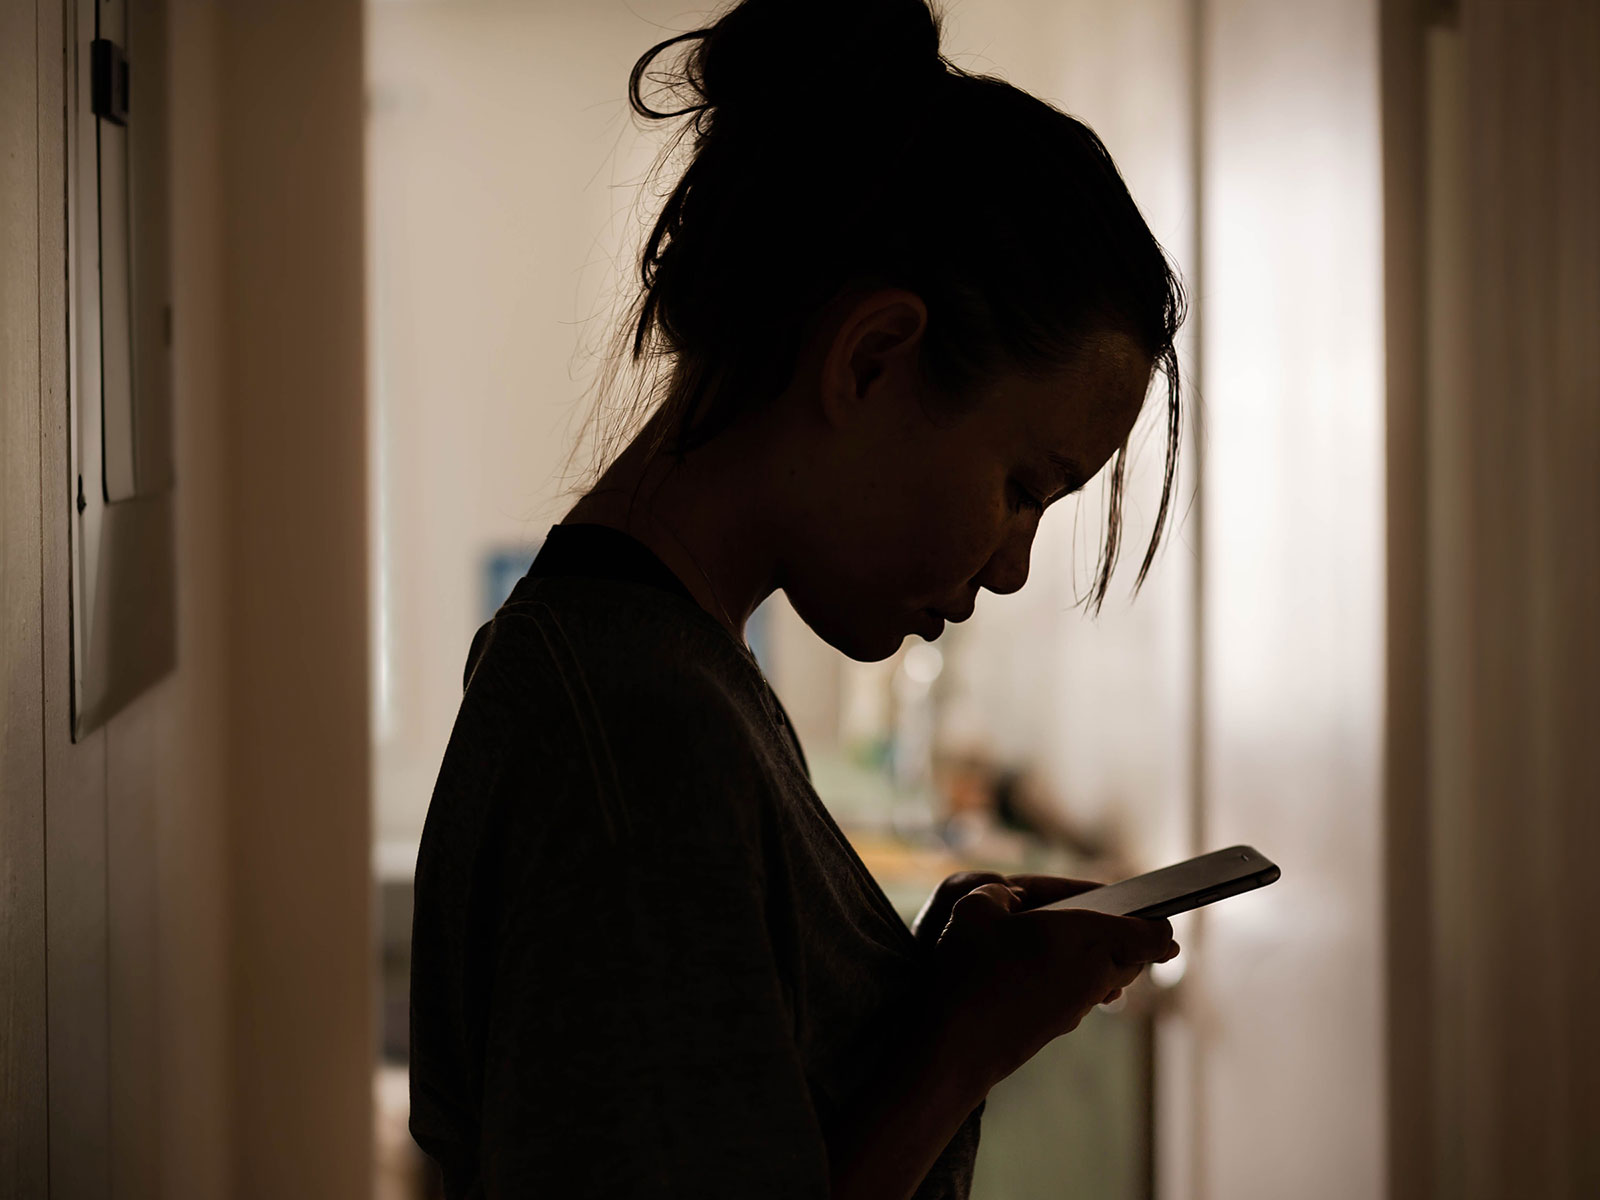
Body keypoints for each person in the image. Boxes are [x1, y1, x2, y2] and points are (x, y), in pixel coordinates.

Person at [408, 0, 1186, 1196]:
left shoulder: (663, 674)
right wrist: (958, 1050)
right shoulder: (637, 736)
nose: (1013, 564)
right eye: (1023, 487)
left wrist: (942, 992)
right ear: (870, 359)